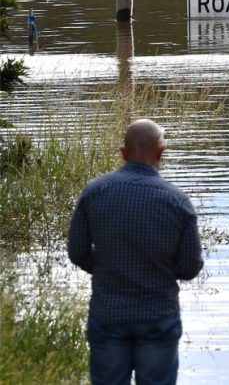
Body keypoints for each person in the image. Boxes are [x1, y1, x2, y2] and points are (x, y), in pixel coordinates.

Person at [68, 119, 204, 385]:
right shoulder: (177, 201)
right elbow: (190, 267)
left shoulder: (94, 192)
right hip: (158, 316)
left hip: (108, 314)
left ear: (123, 152)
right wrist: (160, 270)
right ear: (161, 152)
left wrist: (106, 267)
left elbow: (77, 251)